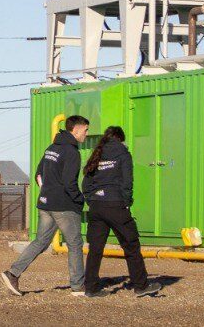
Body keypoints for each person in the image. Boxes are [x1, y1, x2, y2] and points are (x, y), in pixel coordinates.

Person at [0, 115, 88, 297]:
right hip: (63, 206)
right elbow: (69, 183)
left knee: (40, 241)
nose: (87, 134)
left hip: (46, 203)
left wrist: (47, 191)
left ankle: (12, 274)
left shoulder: (51, 148)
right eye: (85, 130)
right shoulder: (72, 152)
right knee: (75, 244)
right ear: (76, 130)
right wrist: (80, 200)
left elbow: (38, 175)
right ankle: (78, 287)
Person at [80, 126, 161, 297]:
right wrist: (126, 202)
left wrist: (91, 199)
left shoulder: (96, 154)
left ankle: (91, 288)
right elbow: (127, 181)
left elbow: (86, 184)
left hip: (96, 206)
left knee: (95, 249)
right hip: (115, 205)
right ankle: (141, 285)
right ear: (120, 138)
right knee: (131, 245)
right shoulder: (123, 154)